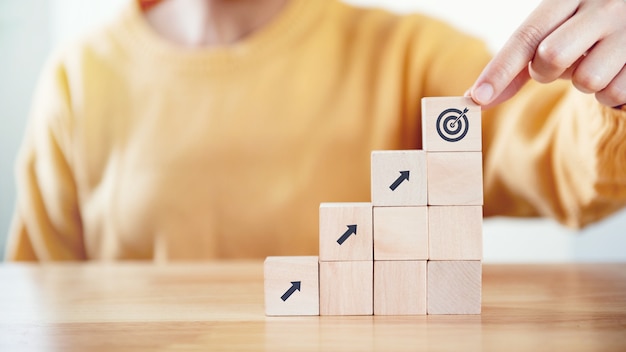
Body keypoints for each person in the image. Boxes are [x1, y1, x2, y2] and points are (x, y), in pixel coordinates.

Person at [5, 0, 626, 261]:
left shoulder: (407, 54)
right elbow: (42, 292)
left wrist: (613, 91)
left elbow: (565, 162)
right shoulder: (79, 78)